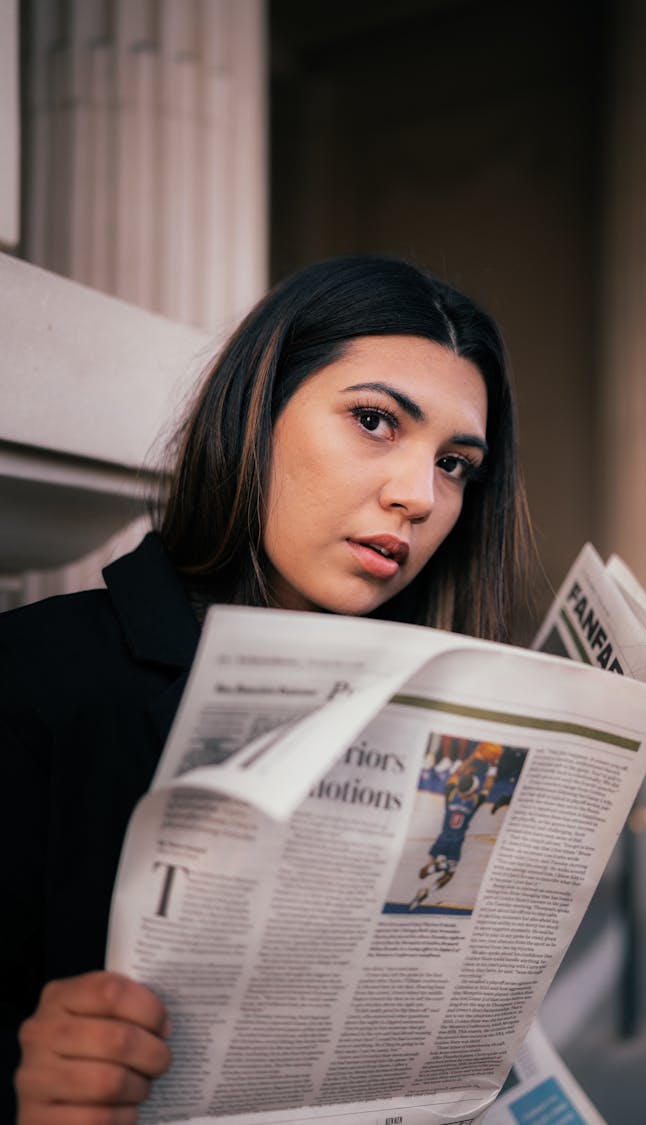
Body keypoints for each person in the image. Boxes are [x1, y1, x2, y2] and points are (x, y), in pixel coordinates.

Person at [0, 254, 530, 1123]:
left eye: (456, 464)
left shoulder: (440, 720)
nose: (418, 496)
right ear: (260, 410)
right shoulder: (34, 674)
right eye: (374, 420)